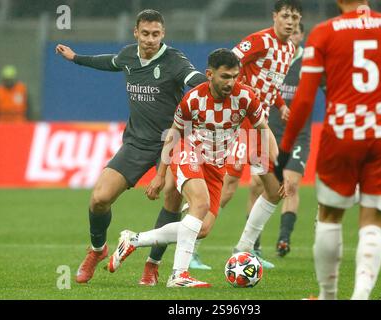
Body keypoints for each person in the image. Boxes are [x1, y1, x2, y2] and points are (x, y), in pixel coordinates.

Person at [277, 0, 381, 300]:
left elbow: (305, 99)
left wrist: (285, 149)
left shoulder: (323, 33)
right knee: (373, 219)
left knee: (330, 216)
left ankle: (328, 296)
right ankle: (360, 297)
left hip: (341, 133)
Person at [55, 9, 207, 284]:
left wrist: (215, 87)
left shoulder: (174, 60)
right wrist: (75, 58)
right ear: (136, 33)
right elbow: (109, 62)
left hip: (172, 142)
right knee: (99, 199)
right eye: (146, 34)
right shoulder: (128, 56)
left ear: (164, 34)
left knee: (172, 196)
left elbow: (193, 78)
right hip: (136, 142)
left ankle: (153, 264)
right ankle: (98, 250)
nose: (151, 39)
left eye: (156, 34)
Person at [106, 48, 278, 288]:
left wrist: (277, 163)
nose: (231, 82)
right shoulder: (193, 99)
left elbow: (263, 128)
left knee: (202, 228)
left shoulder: (246, 97)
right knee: (200, 205)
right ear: (209, 74)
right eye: (225, 77)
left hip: (217, 166)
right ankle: (179, 275)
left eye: (235, 76)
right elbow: (173, 134)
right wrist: (160, 174)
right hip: (189, 152)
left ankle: (134, 240)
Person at [186, 0, 303, 270]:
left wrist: (281, 105)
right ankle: (190, 247)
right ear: (275, 16)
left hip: (258, 124)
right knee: (226, 186)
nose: (290, 21)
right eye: (285, 15)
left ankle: (244, 249)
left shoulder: (290, 48)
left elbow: (270, 85)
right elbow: (227, 66)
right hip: (238, 122)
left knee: (274, 190)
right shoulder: (258, 41)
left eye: (295, 17)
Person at [266, 23, 311, 257]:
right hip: (270, 131)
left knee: (291, 185)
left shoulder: (310, 62)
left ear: (302, 35)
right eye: (289, 32)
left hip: (298, 135)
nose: (291, 36)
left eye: (296, 32)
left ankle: (284, 238)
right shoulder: (272, 59)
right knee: (258, 186)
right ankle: (252, 245)